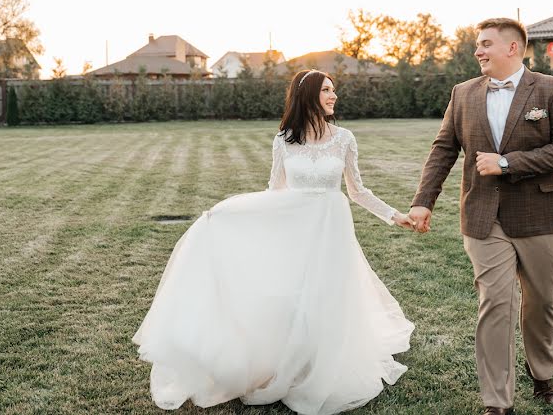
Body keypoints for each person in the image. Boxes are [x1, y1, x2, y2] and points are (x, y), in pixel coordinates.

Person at [133, 69, 415, 415]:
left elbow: (357, 191)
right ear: (309, 96)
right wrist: (235, 215)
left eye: (334, 91)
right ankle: (288, 362)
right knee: (292, 296)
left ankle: (323, 362)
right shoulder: (284, 140)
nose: (334, 96)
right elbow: (274, 191)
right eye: (327, 90)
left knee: (327, 295)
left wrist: (394, 215)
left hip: (331, 228)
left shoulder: (344, 139)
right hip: (294, 228)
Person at [406, 18, 553, 415]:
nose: (478, 52)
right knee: (495, 302)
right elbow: (443, 149)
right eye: (476, 45)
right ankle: (497, 401)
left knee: (541, 301)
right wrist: (423, 200)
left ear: (513, 48)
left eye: (485, 44)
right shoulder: (463, 93)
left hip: (542, 214)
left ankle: (542, 372)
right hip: (484, 215)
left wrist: (506, 162)